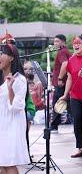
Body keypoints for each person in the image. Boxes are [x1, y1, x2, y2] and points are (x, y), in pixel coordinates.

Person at [59, 36, 82, 158]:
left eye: (79, 43)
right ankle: (80, 147)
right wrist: (65, 95)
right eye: (74, 43)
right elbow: (69, 78)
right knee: (77, 122)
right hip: (74, 96)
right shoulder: (71, 59)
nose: (76, 45)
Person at [0, 44, 30, 173]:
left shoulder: (20, 79)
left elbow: (17, 107)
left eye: (1, 53)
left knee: (9, 163)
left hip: (12, 125)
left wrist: (10, 88)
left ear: (11, 58)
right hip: (2, 123)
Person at [51, 34, 71, 132]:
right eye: (54, 41)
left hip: (61, 83)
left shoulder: (62, 52)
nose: (55, 43)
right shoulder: (63, 51)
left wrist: (60, 78)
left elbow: (65, 64)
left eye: (57, 41)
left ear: (63, 42)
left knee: (57, 103)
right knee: (66, 104)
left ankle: (54, 126)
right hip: (64, 82)